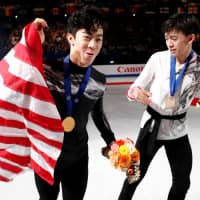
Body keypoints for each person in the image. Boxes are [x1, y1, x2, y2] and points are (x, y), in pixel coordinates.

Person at [34, 5, 116, 200]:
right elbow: (16, 76)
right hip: (47, 155)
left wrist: (111, 141)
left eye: (98, 39)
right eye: (87, 37)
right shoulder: (47, 71)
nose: (93, 45)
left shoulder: (98, 80)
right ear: (70, 38)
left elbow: (97, 114)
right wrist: (32, 44)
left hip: (78, 157)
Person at [118, 13, 200, 200]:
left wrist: (196, 103)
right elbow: (133, 88)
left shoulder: (198, 67)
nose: (169, 43)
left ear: (190, 38)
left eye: (174, 38)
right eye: (166, 38)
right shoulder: (158, 59)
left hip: (178, 130)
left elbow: (196, 99)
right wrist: (136, 93)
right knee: (133, 176)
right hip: (151, 128)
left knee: (182, 181)